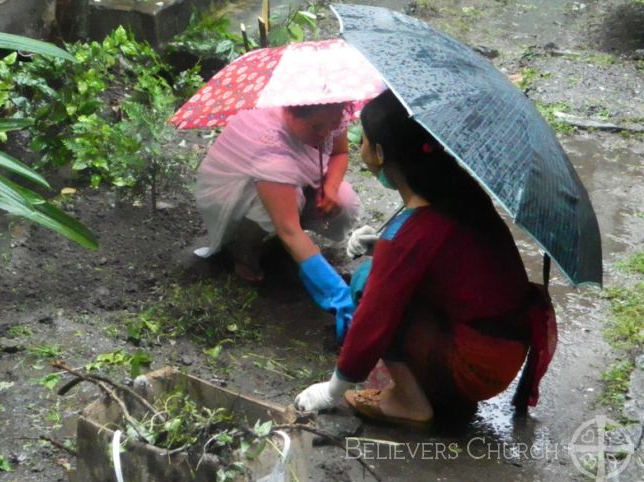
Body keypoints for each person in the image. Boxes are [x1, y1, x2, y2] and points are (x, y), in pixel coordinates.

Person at [294, 91, 557, 425]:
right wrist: (383, 246)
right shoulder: (456, 189)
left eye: (363, 142)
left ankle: (411, 402)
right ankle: (440, 390)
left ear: (378, 153)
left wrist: (332, 390)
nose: (360, 149)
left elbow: (372, 320)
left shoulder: (409, 233)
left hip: (478, 364)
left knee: (365, 281)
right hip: (504, 342)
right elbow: (450, 258)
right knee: (382, 279)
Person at [194, 103, 361, 342]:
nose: (326, 133)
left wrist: (331, 186)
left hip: (290, 182)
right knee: (275, 212)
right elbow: (289, 230)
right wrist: (336, 293)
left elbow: (339, 153)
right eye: (317, 127)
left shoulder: (331, 111)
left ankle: (293, 246)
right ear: (291, 112)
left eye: (333, 125)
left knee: (343, 201)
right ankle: (241, 253)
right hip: (239, 196)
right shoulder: (268, 145)